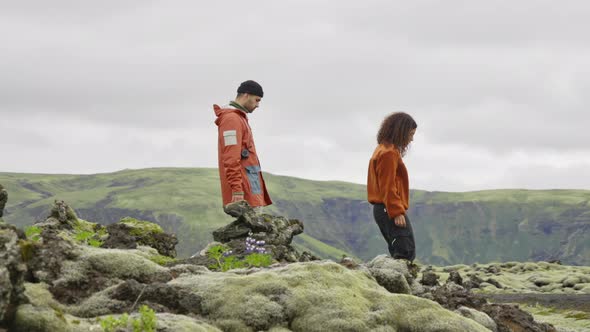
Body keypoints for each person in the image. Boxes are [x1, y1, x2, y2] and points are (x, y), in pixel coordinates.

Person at [214, 80, 272, 212]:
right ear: (246, 95)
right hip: (245, 192)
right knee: (252, 230)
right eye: (257, 100)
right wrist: (237, 190)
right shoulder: (231, 120)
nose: (258, 105)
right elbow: (230, 157)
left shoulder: (239, 118)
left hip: (251, 188)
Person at [367, 112, 417, 261]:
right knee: (405, 252)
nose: (411, 139)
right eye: (411, 134)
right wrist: (396, 212)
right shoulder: (388, 154)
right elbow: (387, 186)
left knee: (401, 249)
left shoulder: (383, 149)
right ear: (401, 131)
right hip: (388, 208)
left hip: (384, 208)